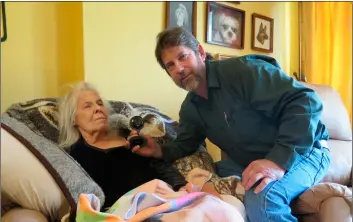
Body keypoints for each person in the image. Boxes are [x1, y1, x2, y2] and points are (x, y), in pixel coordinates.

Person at [127, 27, 331, 222]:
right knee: (202, 182)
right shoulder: (190, 108)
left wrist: (277, 161)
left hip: (306, 150)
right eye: (170, 65)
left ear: (199, 51)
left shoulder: (243, 71)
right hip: (251, 160)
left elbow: (306, 101)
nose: (179, 69)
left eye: (182, 57)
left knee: (264, 199)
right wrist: (157, 150)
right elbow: (184, 146)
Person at [57, 82, 188, 210]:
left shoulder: (130, 138)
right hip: (125, 212)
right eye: (87, 106)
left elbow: (161, 167)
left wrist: (180, 185)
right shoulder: (73, 155)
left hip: (165, 200)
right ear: (73, 118)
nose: (98, 108)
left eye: (100, 103)